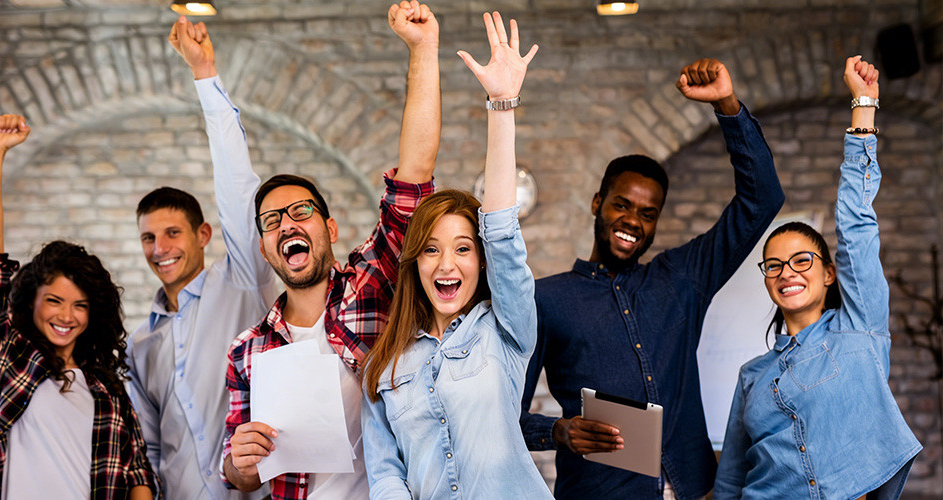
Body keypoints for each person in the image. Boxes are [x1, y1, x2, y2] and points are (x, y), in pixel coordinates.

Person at [520, 58, 786, 499]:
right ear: (597, 203)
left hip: (694, 489)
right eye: (621, 205)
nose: (632, 221)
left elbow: (762, 201)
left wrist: (727, 105)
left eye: (648, 213)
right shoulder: (545, 299)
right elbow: (504, 418)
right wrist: (558, 431)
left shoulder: (682, 278)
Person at [220, 2, 439, 498]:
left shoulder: (372, 282)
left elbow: (415, 174)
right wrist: (241, 460)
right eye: (272, 221)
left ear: (330, 228)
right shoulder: (247, 350)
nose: (286, 224)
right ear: (266, 250)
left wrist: (423, 49)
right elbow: (238, 475)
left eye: (300, 211)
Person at [712, 56, 921, 500]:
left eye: (802, 260)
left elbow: (856, 226)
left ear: (829, 273)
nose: (787, 272)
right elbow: (730, 479)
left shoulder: (858, 330)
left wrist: (863, 106)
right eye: (774, 265)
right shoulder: (752, 375)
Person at [361, 12, 551, 500]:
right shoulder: (384, 365)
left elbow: (502, 232)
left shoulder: (505, 331)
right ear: (415, 264)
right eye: (431, 249)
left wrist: (501, 105)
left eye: (463, 248)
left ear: (481, 261)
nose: (446, 264)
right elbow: (385, 473)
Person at [0, 114, 157, 499]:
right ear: (30, 301)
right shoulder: (9, 360)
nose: (66, 316)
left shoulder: (107, 388)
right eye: (54, 301)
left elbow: (137, 472)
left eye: (80, 305)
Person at [125, 15, 277, 500]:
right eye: (149, 238)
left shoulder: (242, 282)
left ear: (203, 234)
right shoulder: (139, 343)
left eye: (172, 233)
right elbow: (147, 447)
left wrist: (205, 74)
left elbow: (238, 189)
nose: (160, 248)